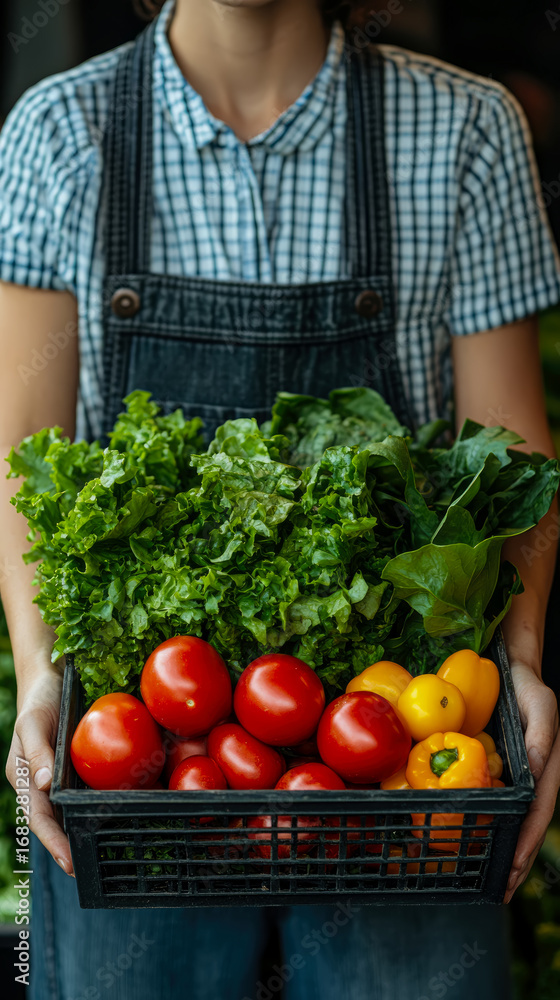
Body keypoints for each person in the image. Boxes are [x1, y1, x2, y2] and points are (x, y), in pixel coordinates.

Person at [1, 1, 560, 998]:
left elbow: (511, 458)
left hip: (395, 754)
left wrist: (515, 665)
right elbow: (23, 461)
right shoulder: (56, 132)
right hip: (147, 763)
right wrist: (43, 671)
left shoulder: (463, 129)